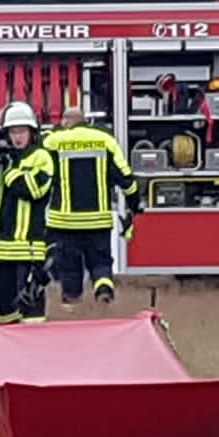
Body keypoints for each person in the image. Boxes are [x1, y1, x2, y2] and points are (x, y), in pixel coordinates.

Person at [42, 105, 139, 310]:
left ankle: (72, 305)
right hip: (98, 220)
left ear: (66, 122)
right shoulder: (105, 140)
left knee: (69, 267)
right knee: (101, 262)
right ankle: (103, 290)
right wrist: (134, 204)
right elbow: (125, 177)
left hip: (64, 222)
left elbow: (40, 174)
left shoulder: (53, 141)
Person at [0, 101, 55, 323]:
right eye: (13, 132)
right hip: (2, 251)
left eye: (22, 131)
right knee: (5, 316)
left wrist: (9, 172)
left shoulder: (41, 157)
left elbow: (33, 189)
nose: (17, 137)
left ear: (32, 132)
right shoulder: (6, 161)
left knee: (31, 316)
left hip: (29, 251)